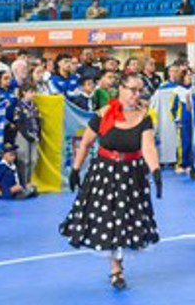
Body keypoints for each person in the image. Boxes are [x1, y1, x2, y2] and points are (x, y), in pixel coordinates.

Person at [61, 73, 161, 289]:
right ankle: (116, 270)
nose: (137, 94)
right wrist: (76, 169)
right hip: (105, 173)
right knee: (108, 218)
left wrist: (156, 171)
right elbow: (86, 143)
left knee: (126, 219)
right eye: (132, 89)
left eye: (139, 90)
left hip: (132, 175)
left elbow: (148, 147)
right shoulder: (104, 113)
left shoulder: (145, 116)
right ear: (121, 89)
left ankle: (119, 263)